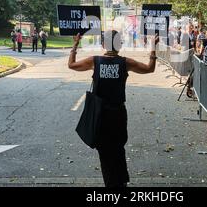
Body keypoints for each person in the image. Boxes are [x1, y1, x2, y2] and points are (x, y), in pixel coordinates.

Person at [68, 30, 160, 187]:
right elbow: (149, 68)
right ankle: (121, 182)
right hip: (118, 114)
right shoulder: (125, 63)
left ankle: (111, 185)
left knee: (104, 152)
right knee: (118, 148)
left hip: (100, 115)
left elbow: (71, 65)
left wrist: (75, 44)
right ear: (120, 44)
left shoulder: (95, 61)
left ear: (103, 44)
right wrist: (153, 47)